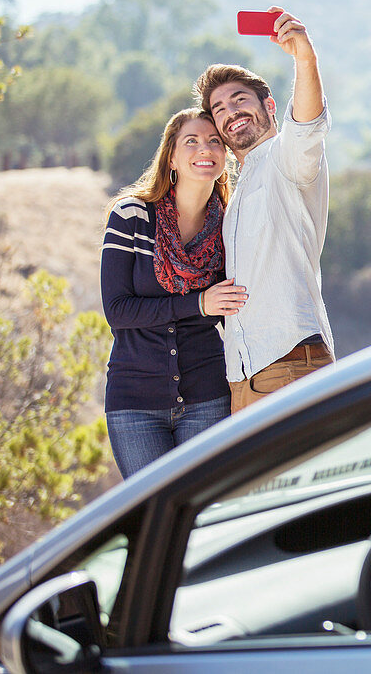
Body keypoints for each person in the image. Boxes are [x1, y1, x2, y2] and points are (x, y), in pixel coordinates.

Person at [195, 6, 335, 413]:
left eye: (240, 100)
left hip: (289, 365)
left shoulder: (285, 159)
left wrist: (304, 58)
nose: (231, 111)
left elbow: (307, 127)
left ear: (269, 106)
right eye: (219, 109)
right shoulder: (237, 193)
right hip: (245, 379)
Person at [101, 109, 249, 479]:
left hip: (208, 396)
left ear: (225, 155)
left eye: (215, 140)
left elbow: (236, 309)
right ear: (172, 157)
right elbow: (118, 311)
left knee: (202, 512)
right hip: (134, 402)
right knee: (152, 516)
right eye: (192, 141)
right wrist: (198, 303)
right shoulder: (131, 216)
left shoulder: (232, 224)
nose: (206, 148)